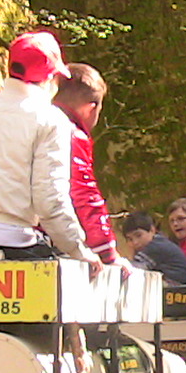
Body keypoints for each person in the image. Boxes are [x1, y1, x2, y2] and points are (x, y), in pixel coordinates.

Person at [0, 30, 99, 263]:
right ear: (50, 77)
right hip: (14, 239)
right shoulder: (51, 120)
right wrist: (77, 249)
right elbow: (49, 199)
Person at [54, 63, 119, 265]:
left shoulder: (30, 121)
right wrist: (106, 251)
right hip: (47, 238)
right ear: (91, 109)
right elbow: (83, 193)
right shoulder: (71, 133)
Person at [122, 210, 186, 284]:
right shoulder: (160, 242)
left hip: (175, 287)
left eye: (138, 235)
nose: (135, 242)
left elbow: (134, 267)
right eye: (130, 239)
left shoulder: (156, 246)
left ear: (152, 230)